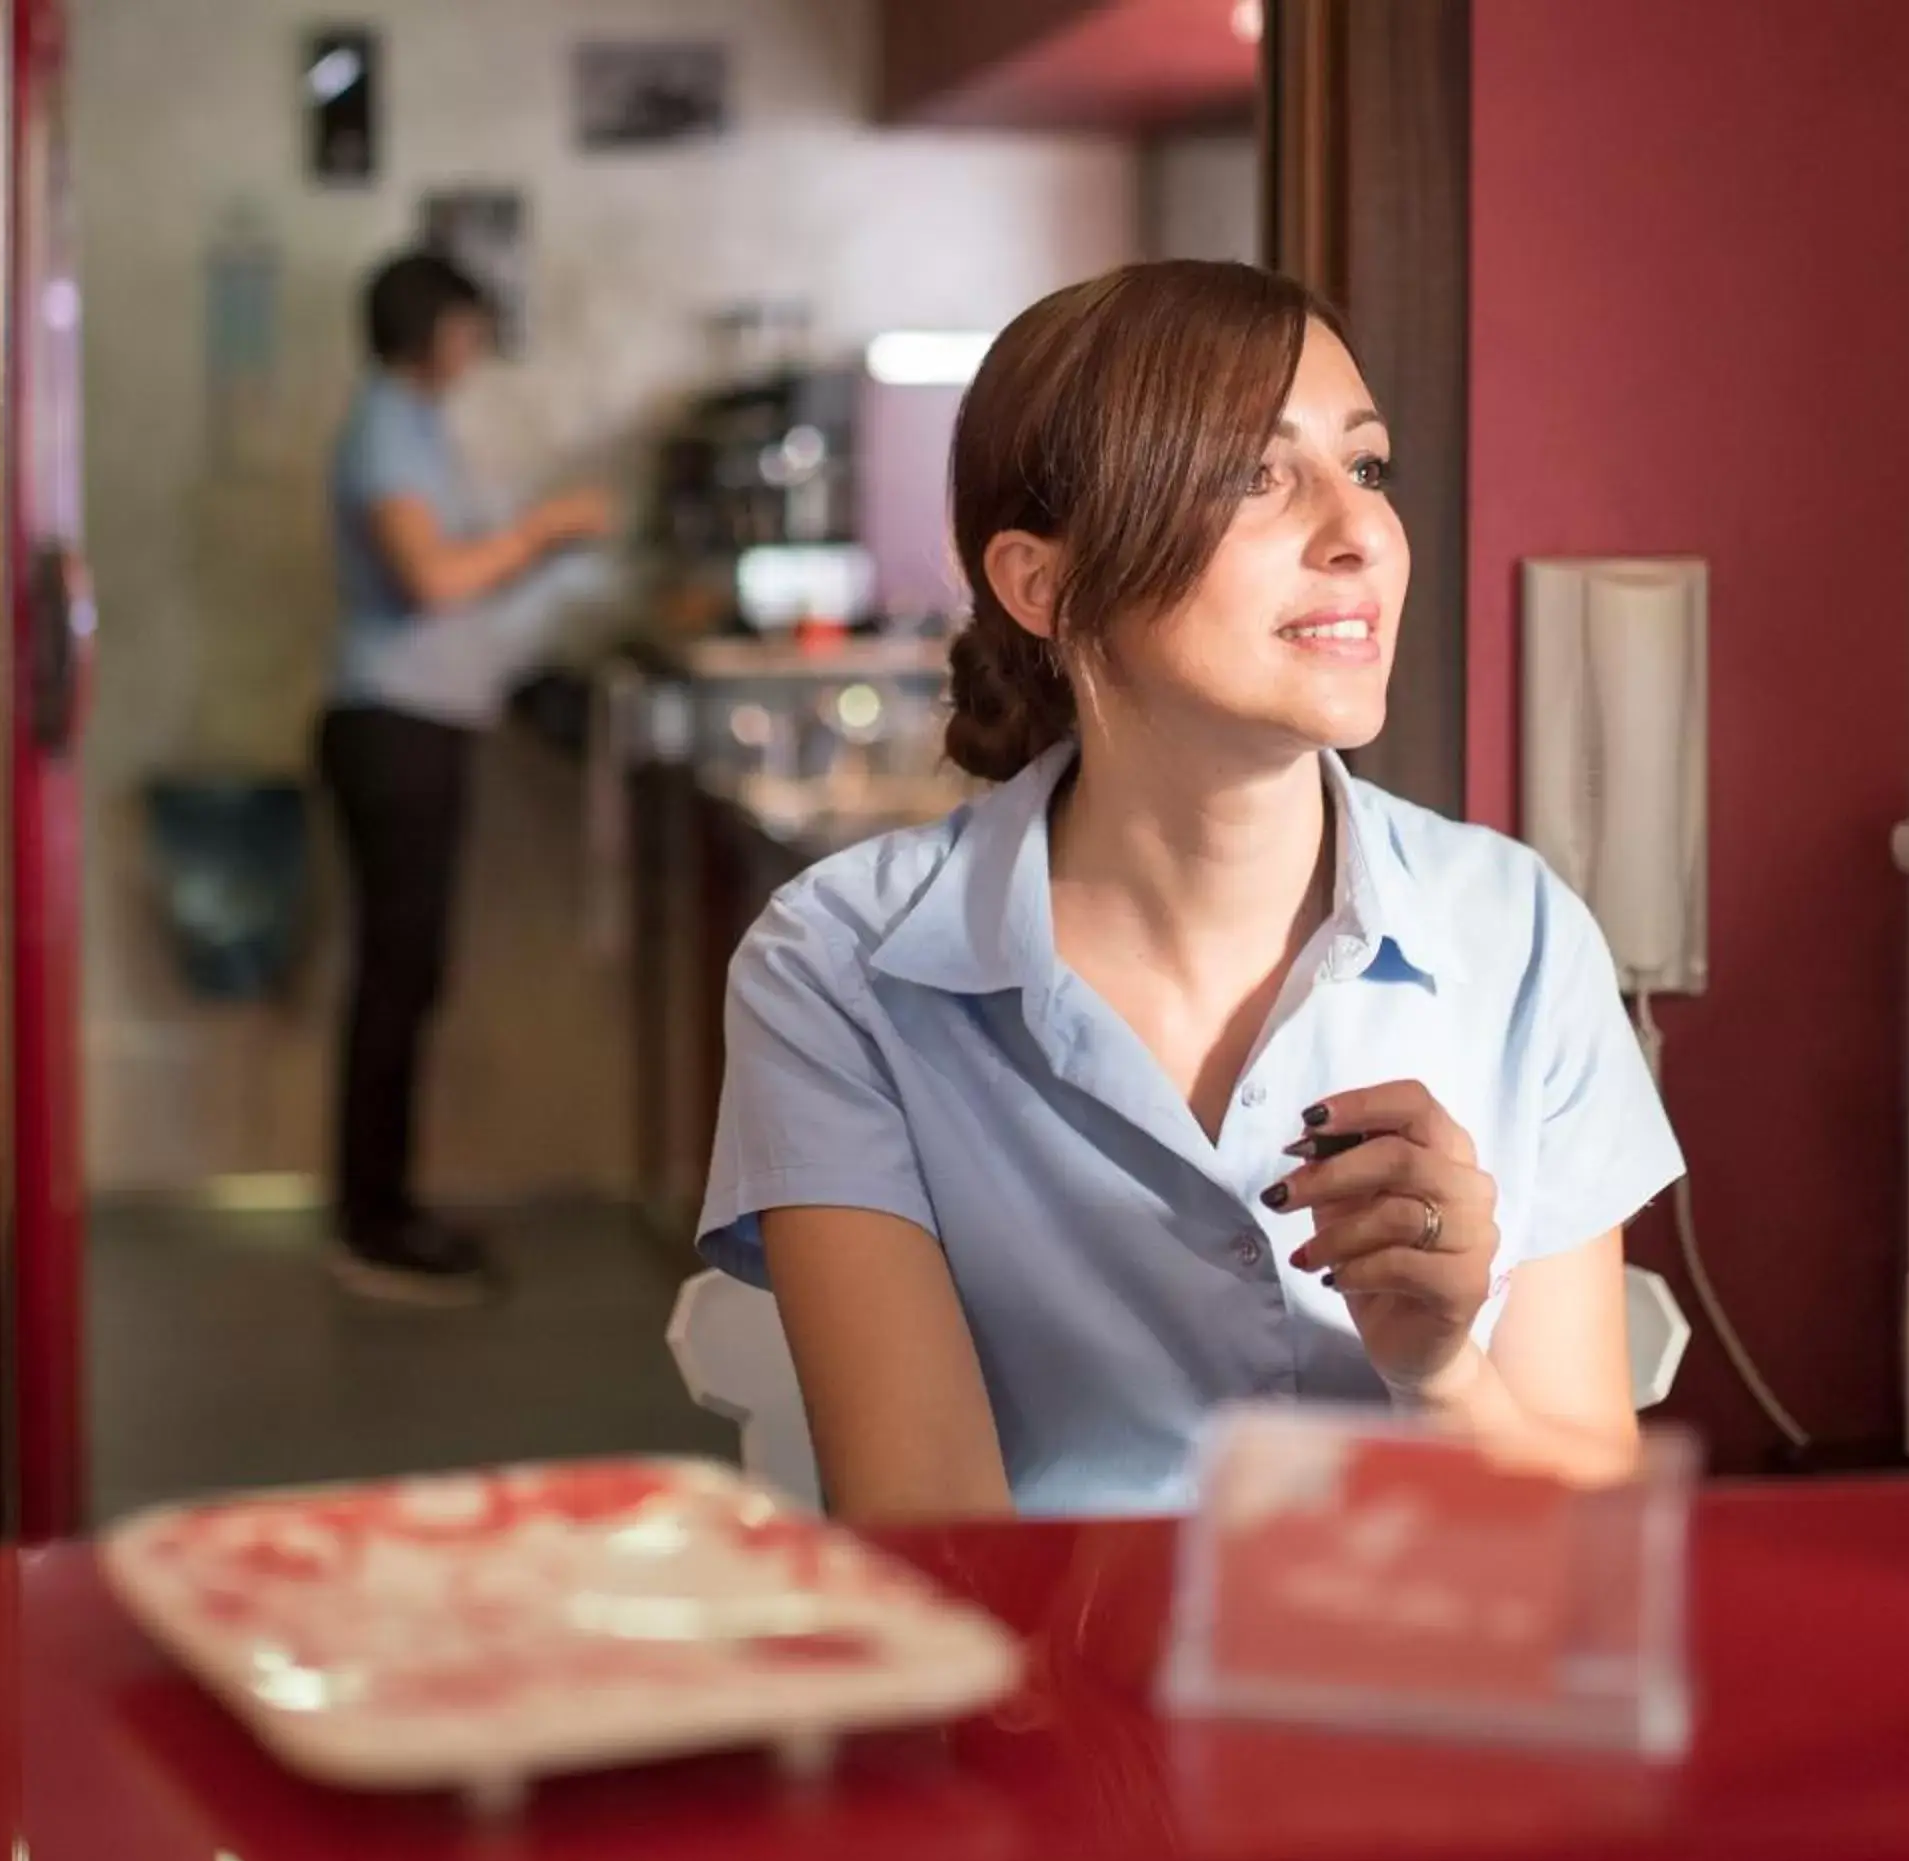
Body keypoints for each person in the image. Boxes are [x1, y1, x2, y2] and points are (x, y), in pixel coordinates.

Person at [698, 261, 1684, 1519]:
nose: (1359, 531)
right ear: (1040, 582)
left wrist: (1438, 1367)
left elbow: (1589, 1528)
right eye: (1254, 475)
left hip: (1435, 1691)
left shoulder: (1518, 930)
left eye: (1367, 467)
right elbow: (931, 1529)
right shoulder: (838, 965)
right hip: (1039, 1691)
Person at [316, 250, 617, 1305]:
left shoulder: (413, 426)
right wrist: (545, 528)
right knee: (397, 978)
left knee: (412, 975)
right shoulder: (387, 428)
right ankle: (372, 1218)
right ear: (436, 330)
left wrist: (538, 553)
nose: (478, 347)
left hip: (419, 723)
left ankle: (385, 1205)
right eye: (470, 328)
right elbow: (433, 577)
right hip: (390, 726)